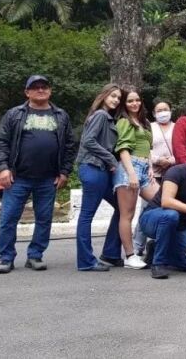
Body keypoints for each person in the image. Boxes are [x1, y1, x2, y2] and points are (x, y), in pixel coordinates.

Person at [0, 75, 76, 274]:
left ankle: (35, 255)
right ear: (27, 92)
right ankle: (6, 258)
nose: (40, 90)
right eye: (35, 87)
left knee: (44, 219)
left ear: (50, 91)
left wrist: (64, 172)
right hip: (17, 177)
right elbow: (2, 142)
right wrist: (3, 167)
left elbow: (70, 146)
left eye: (44, 87)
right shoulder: (15, 114)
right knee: (8, 218)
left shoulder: (61, 116)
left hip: (48, 179)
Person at [138, 141, 186, 279]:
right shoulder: (176, 172)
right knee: (171, 215)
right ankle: (158, 263)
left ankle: (156, 248)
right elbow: (166, 201)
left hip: (179, 226)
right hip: (153, 218)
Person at [76, 83, 123, 272]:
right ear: (103, 96)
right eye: (113, 96)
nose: (116, 100)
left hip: (101, 170)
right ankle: (86, 261)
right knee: (87, 215)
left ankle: (111, 253)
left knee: (122, 207)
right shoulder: (101, 115)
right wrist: (110, 158)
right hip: (93, 168)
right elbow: (88, 141)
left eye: (118, 98)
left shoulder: (107, 118)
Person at [110, 88, 154, 270]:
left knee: (162, 202)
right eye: (130, 101)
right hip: (130, 167)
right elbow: (123, 149)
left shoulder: (143, 122)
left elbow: (147, 147)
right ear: (124, 104)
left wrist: (150, 166)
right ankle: (130, 255)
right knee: (127, 214)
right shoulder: (123, 121)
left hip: (145, 168)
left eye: (137, 100)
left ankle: (153, 243)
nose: (134, 104)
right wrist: (132, 173)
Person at [133, 100, 176, 258]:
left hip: (172, 174)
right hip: (152, 174)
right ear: (153, 113)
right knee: (146, 208)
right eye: (159, 110)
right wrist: (158, 160)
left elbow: (180, 147)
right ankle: (137, 247)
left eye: (166, 109)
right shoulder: (148, 127)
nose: (163, 112)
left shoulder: (177, 127)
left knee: (170, 210)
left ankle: (164, 247)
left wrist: (171, 160)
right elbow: (145, 147)